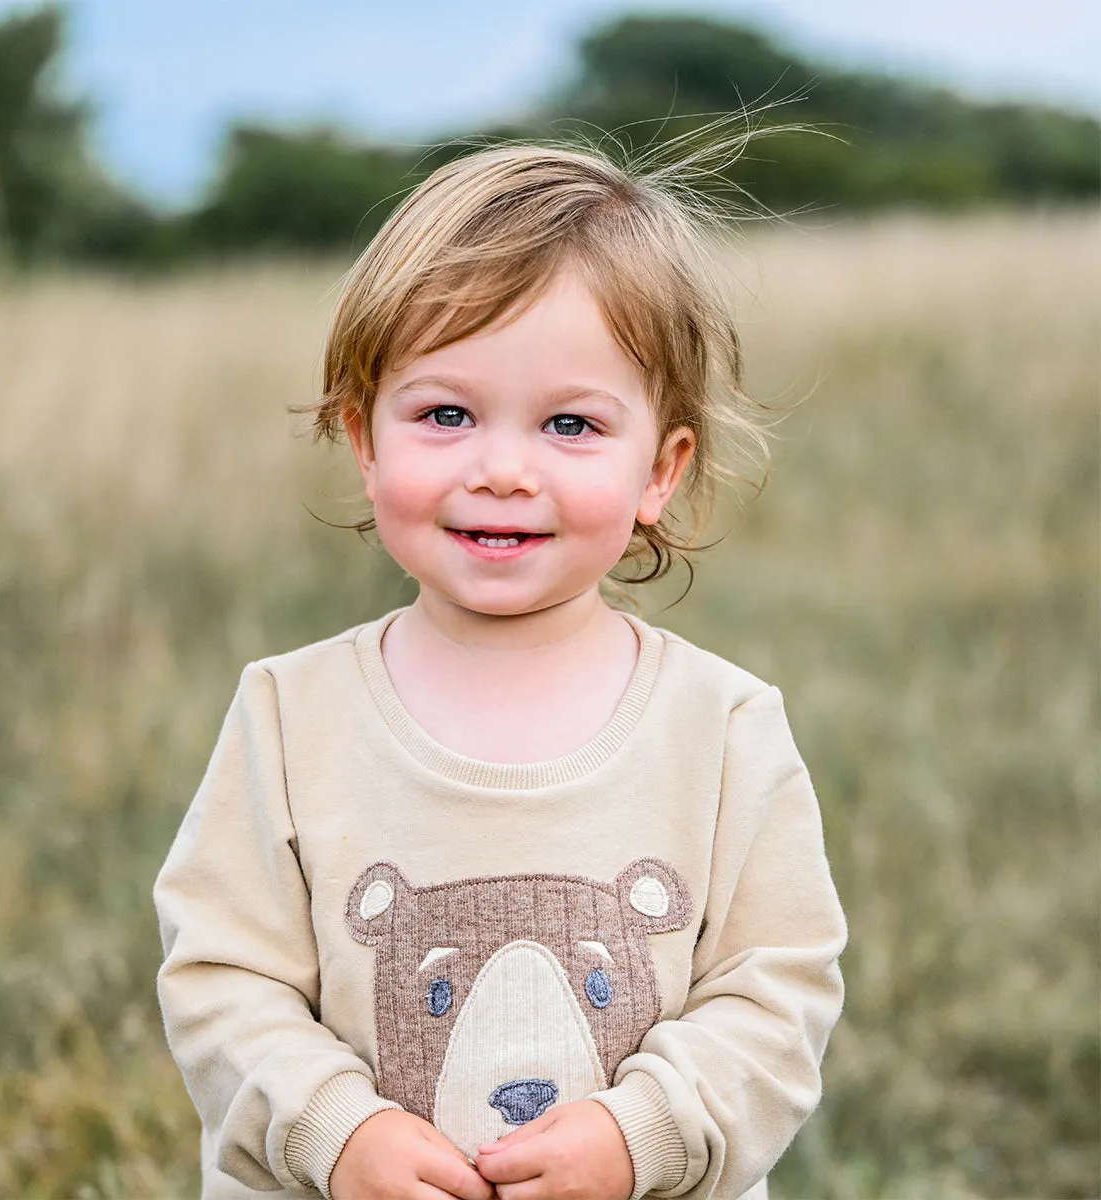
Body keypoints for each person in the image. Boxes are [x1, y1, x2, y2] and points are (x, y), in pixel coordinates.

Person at [153, 138, 848, 1200]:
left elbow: (777, 992)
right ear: (364, 439)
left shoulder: (723, 727)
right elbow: (221, 981)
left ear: (660, 470)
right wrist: (337, 1133)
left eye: (571, 424)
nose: (503, 470)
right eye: (445, 414)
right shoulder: (291, 714)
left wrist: (644, 1135)